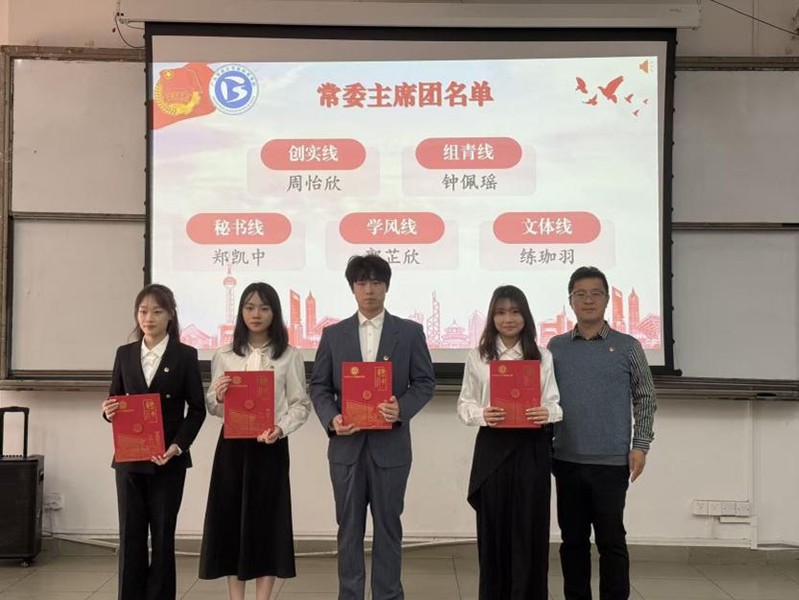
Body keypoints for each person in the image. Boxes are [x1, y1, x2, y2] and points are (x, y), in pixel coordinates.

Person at [309, 254, 435, 600]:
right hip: (346, 449)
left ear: (387, 287)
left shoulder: (409, 333)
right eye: (362, 283)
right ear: (352, 288)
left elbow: (425, 382)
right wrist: (332, 419)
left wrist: (400, 409)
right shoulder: (333, 334)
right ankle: (350, 595)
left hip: (391, 449)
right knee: (348, 529)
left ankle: (388, 595)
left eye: (376, 282)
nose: (369, 290)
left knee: (389, 528)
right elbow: (319, 386)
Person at [547, 266, 656, 600]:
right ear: (570, 301)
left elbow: (645, 396)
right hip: (566, 460)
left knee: (611, 541)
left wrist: (640, 445)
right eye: (580, 294)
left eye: (596, 294)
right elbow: (545, 399)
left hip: (611, 462)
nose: (588, 300)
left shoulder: (628, 347)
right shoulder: (555, 347)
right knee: (573, 542)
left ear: (607, 300)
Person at [199, 282, 311, 600]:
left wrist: (280, 428)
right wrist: (219, 396)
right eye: (249, 307)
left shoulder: (289, 355)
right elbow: (213, 407)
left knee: (267, 524)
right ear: (241, 312)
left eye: (264, 308)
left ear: (274, 313)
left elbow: (300, 404)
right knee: (231, 521)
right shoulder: (224, 354)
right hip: (232, 447)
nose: (256, 314)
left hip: (270, 446)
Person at [101, 283, 206, 600]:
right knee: (130, 536)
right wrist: (108, 411)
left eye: (157, 311)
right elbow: (114, 399)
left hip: (168, 461)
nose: (149, 318)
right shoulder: (124, 354)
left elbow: (197, 409)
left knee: (162, 537)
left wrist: (177, 446)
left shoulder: (185, 355)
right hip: (130, 460)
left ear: (170, 315)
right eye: (143, 311)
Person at [457, 285, 562, 600]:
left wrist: (547, 412)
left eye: (515, 311)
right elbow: (464, 404)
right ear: (492, 317)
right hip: (493, 448)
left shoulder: (542, 356)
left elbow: (555, 404)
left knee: (529, 529)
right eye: (501, 312)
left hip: (532, 448)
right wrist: (482, 413)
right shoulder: (478, 356)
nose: (508, 319)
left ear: (525, 316)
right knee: (495, 529)